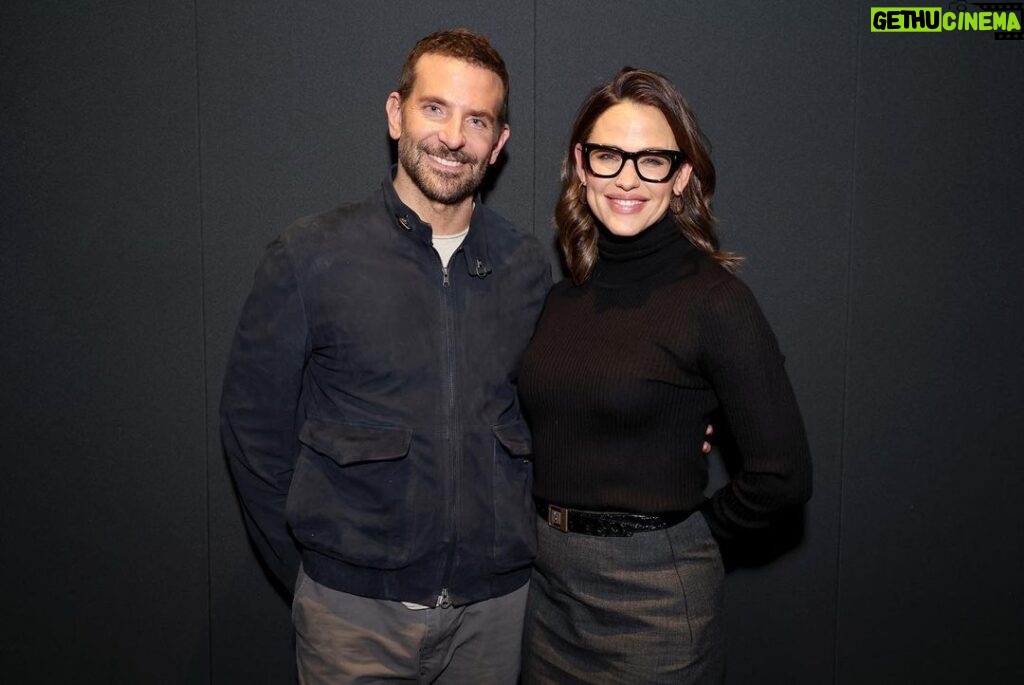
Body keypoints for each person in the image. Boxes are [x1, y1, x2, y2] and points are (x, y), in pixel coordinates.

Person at [219, 29, 552, 684]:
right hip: (351, 619)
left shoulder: (528, 268)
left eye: (477, 119)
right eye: (435, 108)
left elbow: (563, 406)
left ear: (499, 142)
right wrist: (318, 579)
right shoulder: (311, 255)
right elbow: (252, 433)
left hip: (493, 617)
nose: (453, 137)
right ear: (397, 113)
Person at [518, 68, 813, 683]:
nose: (626, 178)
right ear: (581, 164)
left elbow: (782, 475)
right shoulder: (562, 298)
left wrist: (686, 539)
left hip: (652, 599)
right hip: (547, 594)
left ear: (681, 176)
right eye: (608, 156)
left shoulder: (715, 301)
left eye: (651, 160)